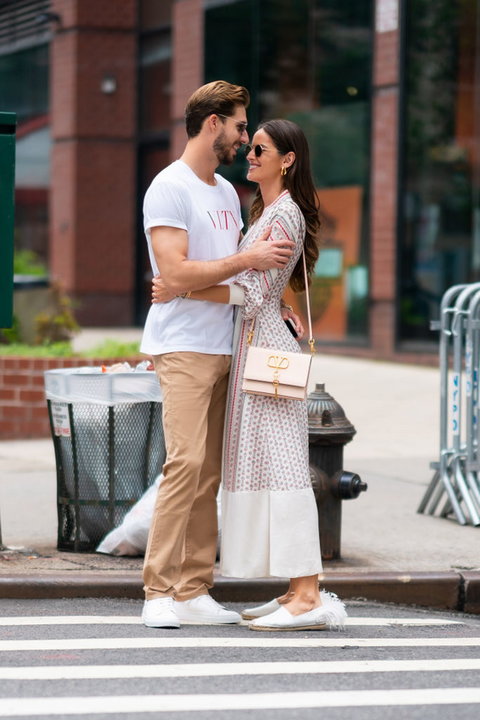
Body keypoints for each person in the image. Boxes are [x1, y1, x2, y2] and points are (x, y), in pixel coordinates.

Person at [153, 118, 347, 631]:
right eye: (250, 146)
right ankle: (293, 590)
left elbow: (255, 293)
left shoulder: (282, 215)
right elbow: (266, 285)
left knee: (284, 469)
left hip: (264, 353)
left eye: (259, 149)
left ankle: (307, 594)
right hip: (254, 347)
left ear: (288, 159)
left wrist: (181, 288)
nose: (249, 154)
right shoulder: (266, 210)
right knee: (267, 468)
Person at [140, 81, 296, 629]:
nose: (243, 137)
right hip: (183, 347)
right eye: (238, 125)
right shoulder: (169, 187)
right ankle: (157, 590)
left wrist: (267, 292)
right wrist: (246, 257)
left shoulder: (227, 194)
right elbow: (175, 271)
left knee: (210, 474)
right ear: (212, 123)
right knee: (183, 465)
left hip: (228, 345)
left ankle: (193, 588)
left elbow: (231, 279)